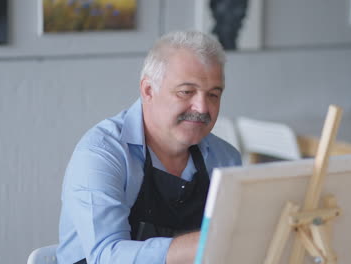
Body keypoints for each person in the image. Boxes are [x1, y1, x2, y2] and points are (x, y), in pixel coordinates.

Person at [57, 31, 242, 264]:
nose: (203, 107)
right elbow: (106, 256)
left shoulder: (225, 158)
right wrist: (208, 242)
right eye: (186, 92)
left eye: (213, 95)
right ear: (148, 90)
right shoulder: (100, 154)